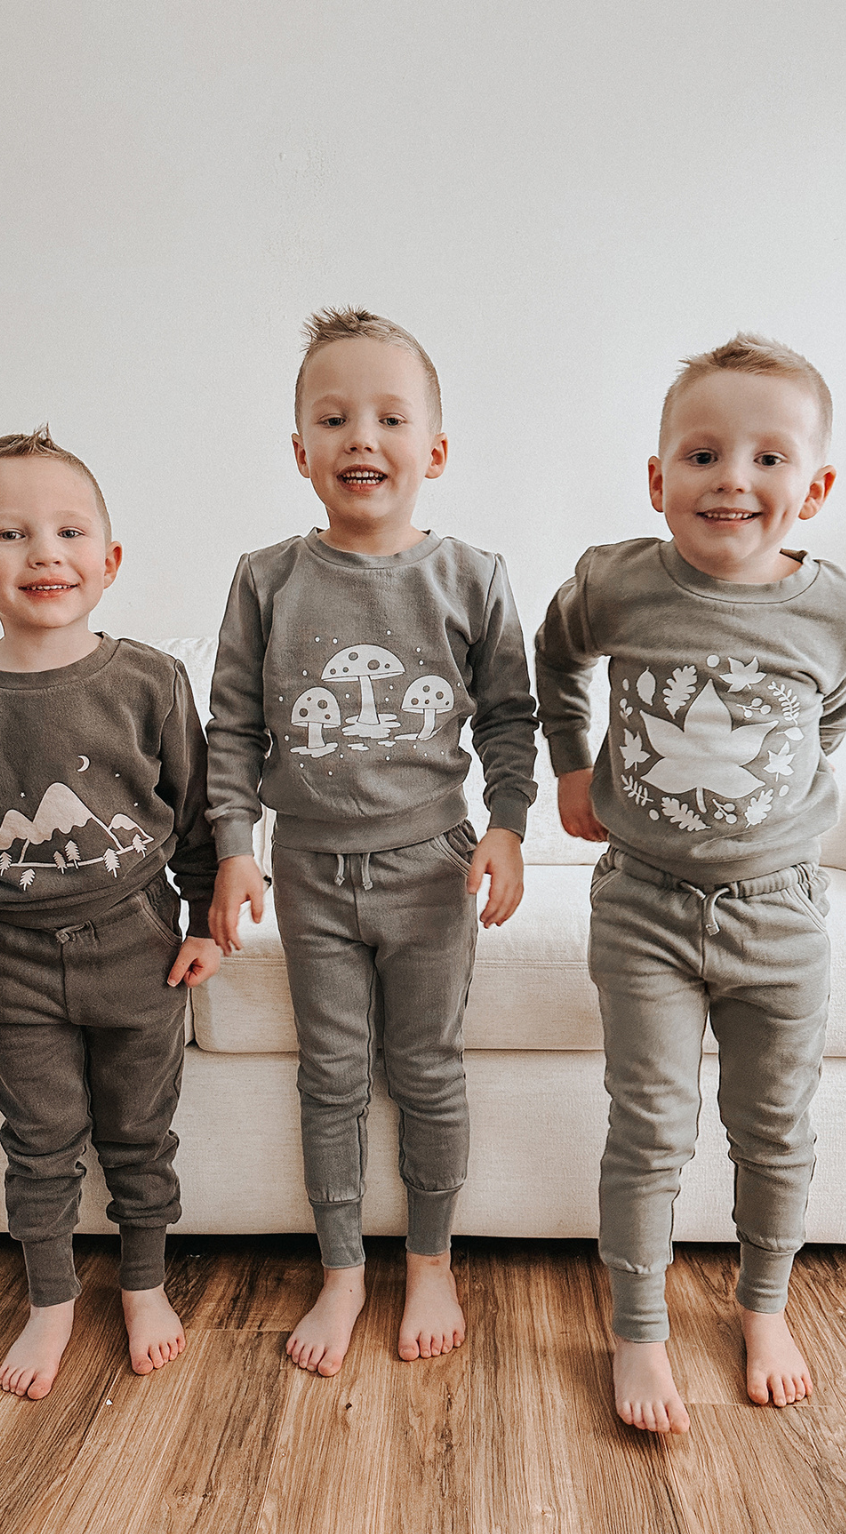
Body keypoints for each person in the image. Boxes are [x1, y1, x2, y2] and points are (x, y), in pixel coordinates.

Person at [536, 334, 846, 1434]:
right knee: (650, 1127)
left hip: (781, 913)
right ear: (658, 479)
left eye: (770, 459)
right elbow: (553, 656)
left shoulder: (839, 612)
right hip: (644, 904)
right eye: (703, 454)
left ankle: (763, 1304)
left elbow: (830, 718)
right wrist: (574, 763)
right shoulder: (618, 582)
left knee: (775, 1126)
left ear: (814, 488)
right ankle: (638, 1330)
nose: (734, 478)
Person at [207, 307, 537, 1376]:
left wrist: (508, 827)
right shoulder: (266, 578)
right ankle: (343, 1265)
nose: (361, 437)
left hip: (431, 865)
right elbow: (235, 729)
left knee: (428, 1069)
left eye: (390, 417)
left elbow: (507, 719)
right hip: (308, 869)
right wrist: (233, 842)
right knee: (334, 1075)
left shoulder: (473, 576)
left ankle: (431, 1257)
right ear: (298, 450)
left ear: (433, 450)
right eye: (333, 416)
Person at [0, 427, 220, 1400]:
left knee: (139, 1131)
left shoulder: (150, 682)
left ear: (109, 561)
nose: (44, 552)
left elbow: (195, 813)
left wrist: (201, 921)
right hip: (13, 962)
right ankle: (51, 1297)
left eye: (70, 529)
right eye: (11, 532)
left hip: (143, 948)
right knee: (38, 1135)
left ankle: (146, 1281)